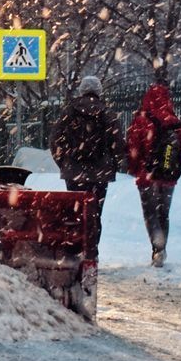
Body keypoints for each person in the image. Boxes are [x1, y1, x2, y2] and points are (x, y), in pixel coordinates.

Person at [51, 75, 123, 264]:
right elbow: (118, 145)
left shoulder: (69, 113)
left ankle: (75, 247)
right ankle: (92, 250)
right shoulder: (108, 114)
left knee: (76, 210)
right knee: (95, 211)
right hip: (100, 174)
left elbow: (55, 140)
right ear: (99, 91)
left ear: (82, 90)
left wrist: (64, 162)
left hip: (74, 172)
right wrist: (112, 165)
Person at [127, 81, 181, 267]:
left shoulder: (141, 121)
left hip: (146, 176)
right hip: (168, 177)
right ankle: (161, 248)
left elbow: (133, 148)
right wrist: (173, 163)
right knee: (163, 213)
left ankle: (157, 248)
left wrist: (137, 168)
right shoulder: (176, 123)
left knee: (150, 213)